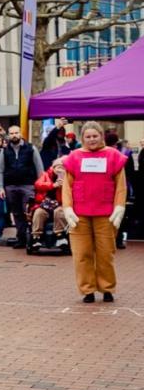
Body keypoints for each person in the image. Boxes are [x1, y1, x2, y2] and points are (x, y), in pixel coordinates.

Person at [62, 122, 127, 303]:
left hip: (105, 213)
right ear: (83, 138)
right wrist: (67, 208)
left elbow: (120, 186)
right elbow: (67, 186)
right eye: (88, 137)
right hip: (79, 214)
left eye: (95, 136)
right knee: (82, 254)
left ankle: (107, 288)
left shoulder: (113, 156)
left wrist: (119, 206)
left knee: (106, 253)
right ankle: (87, 290)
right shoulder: (74, 157)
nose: (92, 140)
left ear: (101, 136)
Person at [0, 125, 44, 249]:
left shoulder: (31, 148)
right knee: (16, 213)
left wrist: (40, 186)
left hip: (28, 185)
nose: (14, 135)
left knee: (28, 212)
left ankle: (33, 237)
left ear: (20, 134)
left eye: (16, 133)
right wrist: (0, 187)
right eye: (11, 133)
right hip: (10, 186)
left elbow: (39, 168)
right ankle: (21, 238)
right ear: (8, 135)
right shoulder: (4, 151)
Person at [31, 158, 68, 248]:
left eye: (63, 167)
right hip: (45, 203)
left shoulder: (68, 177)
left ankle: (60, 235)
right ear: (53, 167)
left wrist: (64, 186)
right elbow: (38, 184)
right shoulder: (45, 175)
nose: (60, 169)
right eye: (58, 167)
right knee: (39, 213)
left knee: (59, 212)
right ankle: (36, 236)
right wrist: (52, 185)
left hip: (60, 203)